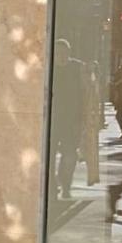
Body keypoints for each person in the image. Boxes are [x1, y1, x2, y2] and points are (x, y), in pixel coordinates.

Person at [50, 39, 86, 200]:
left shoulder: (77, 68)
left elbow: (87, 92)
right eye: (57, 53)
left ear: (69, 53)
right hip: (51, 120)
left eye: (64, 53)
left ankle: (66, 185)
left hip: (72, 121)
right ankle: (52, 186)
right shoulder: (47, 67)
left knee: (70, 156)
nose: (61, 56)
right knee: (48, 156)